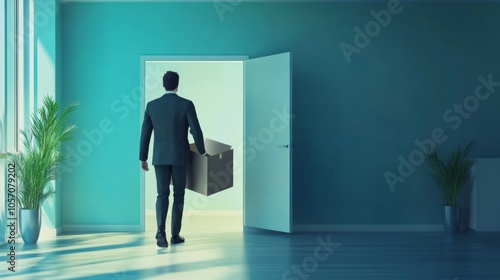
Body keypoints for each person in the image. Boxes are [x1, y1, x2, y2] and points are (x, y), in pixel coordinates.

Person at [139, 71, 207, 248]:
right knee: (179, 195)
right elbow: (195, 131)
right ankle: (175, 235)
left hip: (160, 157)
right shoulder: (186, 104)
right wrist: (201, 150)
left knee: (162, 194)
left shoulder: (152, 105)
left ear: (164, 84)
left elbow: (145, 133)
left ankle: (160, 231)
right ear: (177, 84)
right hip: (180, 156)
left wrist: (143, 157)